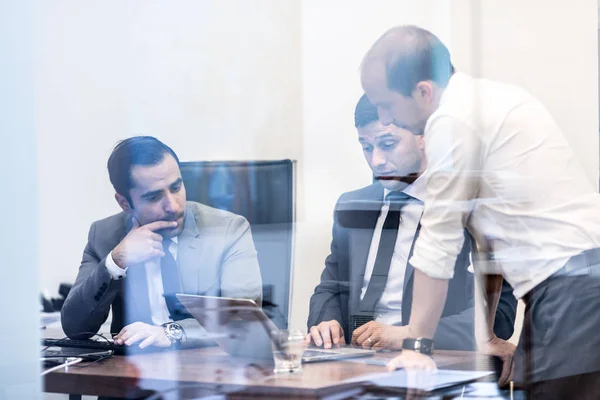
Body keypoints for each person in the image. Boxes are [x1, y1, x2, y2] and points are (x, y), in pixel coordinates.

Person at [361, 25, 600, 398]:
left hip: (572, 292)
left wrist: (417, 348)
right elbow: (489, 247)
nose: (386, 118)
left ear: (423, 91)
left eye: (387, 105)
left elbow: (438, 242)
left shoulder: (452, 120)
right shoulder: (492, 99)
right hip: (576, 288)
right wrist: (484, 335)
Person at [306, 94, 517, 352]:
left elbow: (501, 316)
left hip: (428, 363)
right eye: (367, 147)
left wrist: (409, 336)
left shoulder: (468, 204)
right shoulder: (352, 204)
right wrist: (327, 322)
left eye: (387, 144)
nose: (377, 161)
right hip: (353, 360)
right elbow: (330, 287)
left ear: (424, 136)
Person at [61, 136, 262, 349]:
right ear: (124, 202)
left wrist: (172, 333)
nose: (172, 206)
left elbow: (243, 320)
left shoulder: (228, 230)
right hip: (129, 373)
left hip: (209, 370)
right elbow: (74, 327)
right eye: (154, 197)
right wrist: (116, 261)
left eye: (176, 188)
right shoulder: (104, 235)